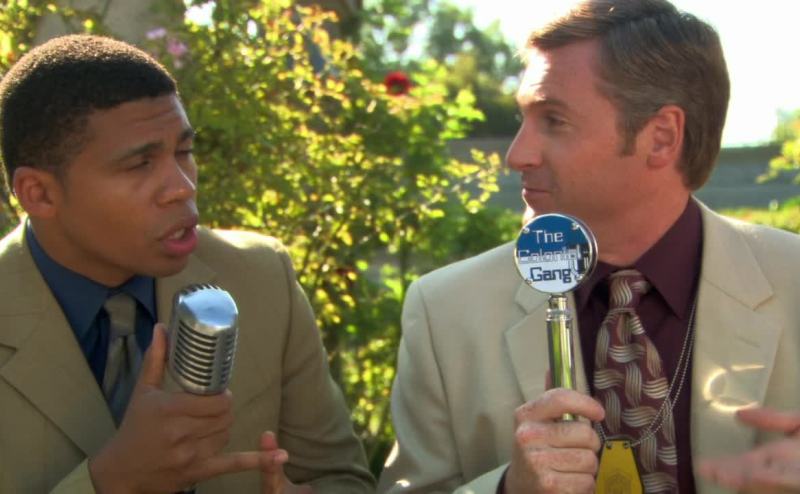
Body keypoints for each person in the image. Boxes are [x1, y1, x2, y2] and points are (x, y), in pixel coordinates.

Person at [377, 0, 800, 493]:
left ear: (661, 137)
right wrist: (507, 489)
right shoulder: (445, 311)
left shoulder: (792, 283)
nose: (517, 154)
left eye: (554, 120)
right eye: (523, 118)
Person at [0, 34, 375, 493]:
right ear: (39, 193)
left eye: (184, 152)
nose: (182, 186)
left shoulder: (260, 277)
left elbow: (341, 476)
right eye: (139, 164)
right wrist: (112, 481)